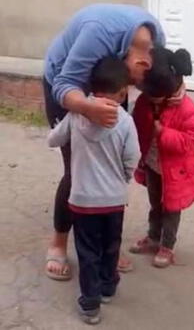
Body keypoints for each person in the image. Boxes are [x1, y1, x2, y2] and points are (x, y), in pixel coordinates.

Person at [43, 3, 167, 280]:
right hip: (66, 82)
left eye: (130, 90)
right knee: (76, 170)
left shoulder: (155, 43)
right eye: (134, 85)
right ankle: (59, 243)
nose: (132, 92)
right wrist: (87, 108)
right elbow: (64, 85)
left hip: (108, 84)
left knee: (109, 169)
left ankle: (107, 247)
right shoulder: (99, 34)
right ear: (138, 62)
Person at [47, 57, 140, 325]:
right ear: (123, 91)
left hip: (83, 202)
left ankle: (90, 305)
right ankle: (108, 287)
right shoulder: (125, 121)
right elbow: (132, 157)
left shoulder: (77, 115)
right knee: (111, 245)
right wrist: (121, 179)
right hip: (113, 200)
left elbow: (53, 140)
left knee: (87, 252)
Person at [130, 47, 194, 268]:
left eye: (155, 96)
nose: (151, 99)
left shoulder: (186, 108)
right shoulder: (145, 101)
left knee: (171, 208)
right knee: (155, 204)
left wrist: (164, 134)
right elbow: (135, 126)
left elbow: (191, 140)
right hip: (152, 164)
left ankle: (167, 246)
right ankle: (153, 237)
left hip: (175, 171)